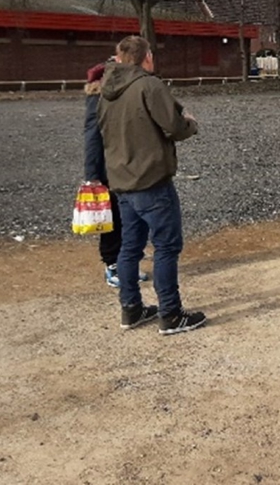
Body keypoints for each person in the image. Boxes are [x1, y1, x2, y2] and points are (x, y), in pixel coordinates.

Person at [98, 35, 206, 334]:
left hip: (121, 181)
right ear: (146, 58)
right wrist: (190, 124)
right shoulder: (149, 85)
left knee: (130, 247)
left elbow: (101, 132)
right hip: (151, 181)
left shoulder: (105, 92)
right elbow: (173, 125)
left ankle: (131, 309)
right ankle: (170, 314)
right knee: (166, 246)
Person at [83, 60, 148, 289]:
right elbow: (92, 136)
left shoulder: (114, 97)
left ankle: (124, 262)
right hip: (107, 168)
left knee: (128, 217)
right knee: (112, 219)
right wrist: (92, 173)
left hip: (121, 165)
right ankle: (111, 263)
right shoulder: (98, 100)